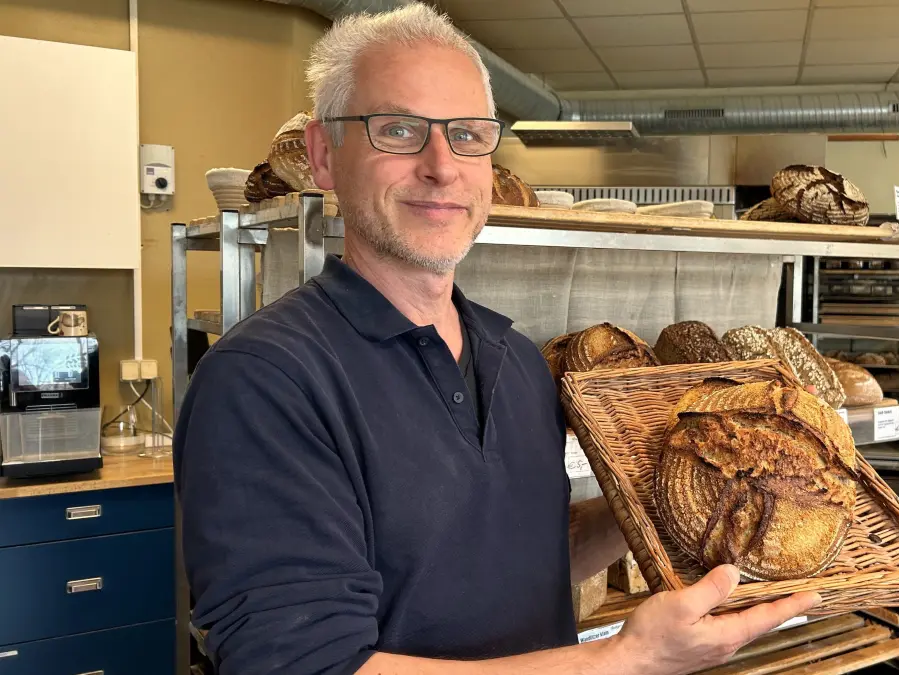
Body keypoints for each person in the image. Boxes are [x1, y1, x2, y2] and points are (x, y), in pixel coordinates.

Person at [173, 5, 819, 675]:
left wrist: (673, 500)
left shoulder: (516, 362)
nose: (441, 166)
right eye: (398, 130)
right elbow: (305, 666)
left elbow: (512, 558)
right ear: (323, 155)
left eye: (468, 135)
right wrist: (628, 660)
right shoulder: (265, 381)